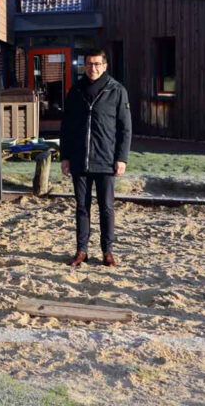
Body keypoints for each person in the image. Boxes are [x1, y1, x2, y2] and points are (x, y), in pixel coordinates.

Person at [61, 49, 132, 267]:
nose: (93, 68)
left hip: (106, 159)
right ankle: (81, 250)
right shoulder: (75, 91)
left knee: (106, 208)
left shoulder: (117, 91)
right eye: (89, 64)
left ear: (105, 65)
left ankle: (107, 252)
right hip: (79, 159)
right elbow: (67, 127)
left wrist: (122, 158)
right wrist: (65, 157)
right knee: (82, 207)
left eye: (97, 64)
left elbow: (125, 128)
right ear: (84, 66)